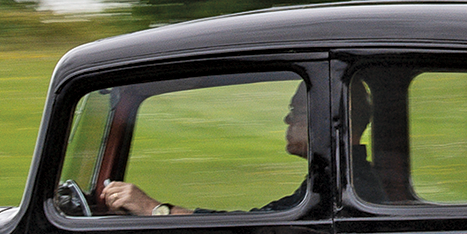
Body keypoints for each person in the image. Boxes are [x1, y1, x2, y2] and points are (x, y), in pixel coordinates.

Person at [101, 81, 382, 214]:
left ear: (326, 120)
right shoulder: (342, 179)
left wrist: (153, 209)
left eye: (296, 110)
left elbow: (259, 229)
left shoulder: (347, 187)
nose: (287, 118)